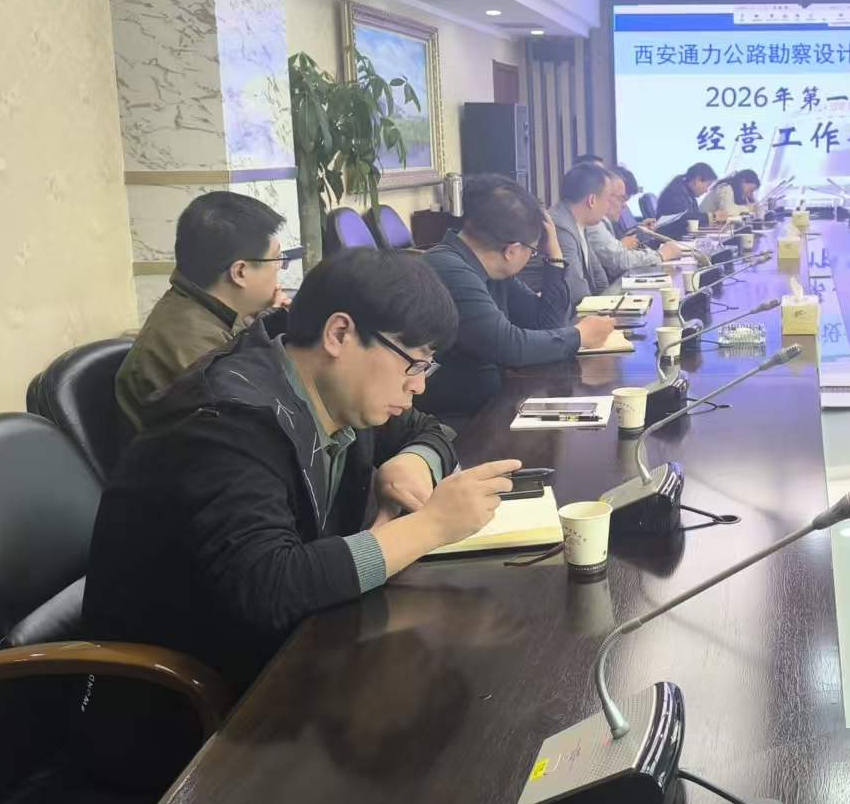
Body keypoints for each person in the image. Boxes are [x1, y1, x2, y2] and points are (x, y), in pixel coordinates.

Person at [83, 247, 522, 692]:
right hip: (195, 695)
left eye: (427, 365)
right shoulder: (225, 424)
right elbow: (270, 586)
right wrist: (431, 526)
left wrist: (413, 462)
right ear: (339, 334)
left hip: (300, 648)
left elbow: (430, 430)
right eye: (413, 362)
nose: (419, 384)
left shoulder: (335, 389)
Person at [422, 174, 615, 414]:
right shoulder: (449, 269)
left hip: (495, 402)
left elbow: (546, 324)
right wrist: (579, 336)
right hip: (460, 418)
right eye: (533, 251)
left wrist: (554, 256)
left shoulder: (492, 268)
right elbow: (508, 345)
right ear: (512, 250)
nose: (533, 255)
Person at [115, 191, 295, 430]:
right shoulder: (190, 345)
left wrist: (263, 325)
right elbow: (257, 420)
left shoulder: (202, 312)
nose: (280, 269)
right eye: (276, 260)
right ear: (240, 272)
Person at [588, 166, 681, 277]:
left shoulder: (604, 222)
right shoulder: (594, 224)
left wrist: (640, 233)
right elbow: (620, 259)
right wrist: (661, 255)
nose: (624, 206)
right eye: (621, 198)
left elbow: (625, 246)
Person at [547, 162, 616, 305]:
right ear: (592, 201)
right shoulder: (560, 226)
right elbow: (575, 289)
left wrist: (608, 304)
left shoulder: (578, 222)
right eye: (607, 199)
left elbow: (598, 277)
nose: (609, 206)